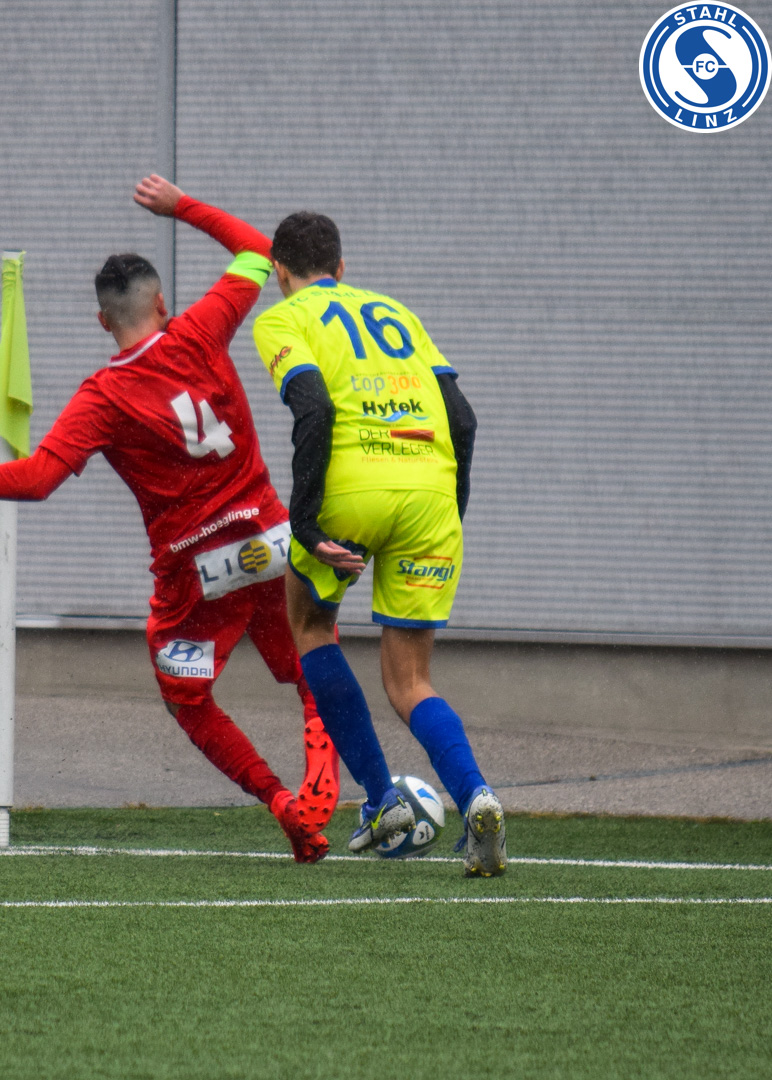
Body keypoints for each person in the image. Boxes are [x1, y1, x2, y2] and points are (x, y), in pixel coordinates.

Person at [0, 176, 339, 862]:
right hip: (269, 539)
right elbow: (257, 250)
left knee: (188, 700)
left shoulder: (104, 396)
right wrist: (180, 207)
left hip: (196, 573)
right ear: (162, 303)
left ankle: (279, 801)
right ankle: (322, 766)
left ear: (103, 323)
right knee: (309, 659)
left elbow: (37, 479)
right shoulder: (203, 326)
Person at [250, 210, 506, 877]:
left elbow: (314, 409)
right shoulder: (398, 313)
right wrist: (450, 514)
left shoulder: (282, 318)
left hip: (353, 491)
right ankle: (477, 796)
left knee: (311, 625)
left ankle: (381, 800)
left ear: (279, 271)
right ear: (341, 267)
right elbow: (462, 419)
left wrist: (306, 524)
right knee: (411, 680)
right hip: (430, 496)